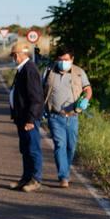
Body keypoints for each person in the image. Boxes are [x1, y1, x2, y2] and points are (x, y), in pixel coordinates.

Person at [43, 47, 93, 188]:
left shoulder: (79, 73)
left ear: (72, 59)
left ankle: (65, 170)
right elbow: (41, 89)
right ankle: (63, 177)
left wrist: (86, 100)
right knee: (60, 145)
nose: (63, 62)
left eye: (66, 60)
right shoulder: (48, 71)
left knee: (71, 147)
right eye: (60, 59)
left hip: (72, 117)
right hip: (54, 116)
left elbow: (88, 89)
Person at [8, 41, 43, 192]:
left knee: (33, 148)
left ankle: (35, 179)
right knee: (25, 149)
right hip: (21, 117)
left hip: (28, 119)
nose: (14, 58)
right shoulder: (22, 69)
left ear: (22, 55)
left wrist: (31, 119)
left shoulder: (30, 70)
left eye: (14, 55)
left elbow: (36, 97)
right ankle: (26, 178)